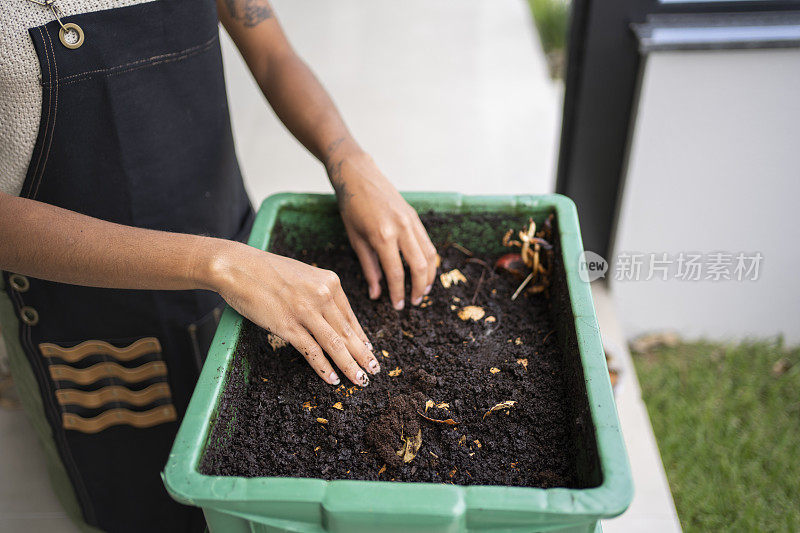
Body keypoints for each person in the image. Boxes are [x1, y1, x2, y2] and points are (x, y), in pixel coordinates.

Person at [0, 0, 438, 530]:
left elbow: (272, 52)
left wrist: (348, 159)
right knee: (138, 494)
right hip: (88, 304)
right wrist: (218, 261)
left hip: (230, 240)